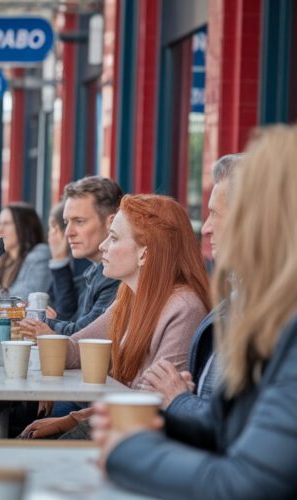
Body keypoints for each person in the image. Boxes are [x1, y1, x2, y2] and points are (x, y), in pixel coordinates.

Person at [92, 126, 297, 499]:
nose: (207, 229)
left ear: (263, 220)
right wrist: (159, 426)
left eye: (217, 214)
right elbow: (232, 429)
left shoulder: (273, 317)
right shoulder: (261, 306)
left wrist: (128, 448)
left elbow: (248, 484)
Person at [21, 195, 210, 439]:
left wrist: (71, 420)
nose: (103, 246)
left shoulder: (184, 307)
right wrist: (31, 330)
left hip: (136, 439)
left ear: (145, 253)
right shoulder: (130, 298)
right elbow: (76, 350)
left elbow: (152, 402)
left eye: (114, 238)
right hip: (118, 424)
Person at [144, 154, 243, 415]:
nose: (206, 228)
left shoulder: (274, 310)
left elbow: (237, 430)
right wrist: (185, 395)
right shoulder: (237, 296)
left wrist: (179, 400)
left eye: (214, 214)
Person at [22, 176, 122, 334]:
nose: (68, 232)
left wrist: (38, 321)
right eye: (66, 222)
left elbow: (82, 335)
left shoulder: (117, 276)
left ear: (111, 223)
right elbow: (70, 320)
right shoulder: (95, 271)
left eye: (79, 221)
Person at [0, 202, 51, 300]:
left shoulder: (40, 254)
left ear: (24, 227)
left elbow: (23, 298)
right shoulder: (3, 261)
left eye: (6, 224)